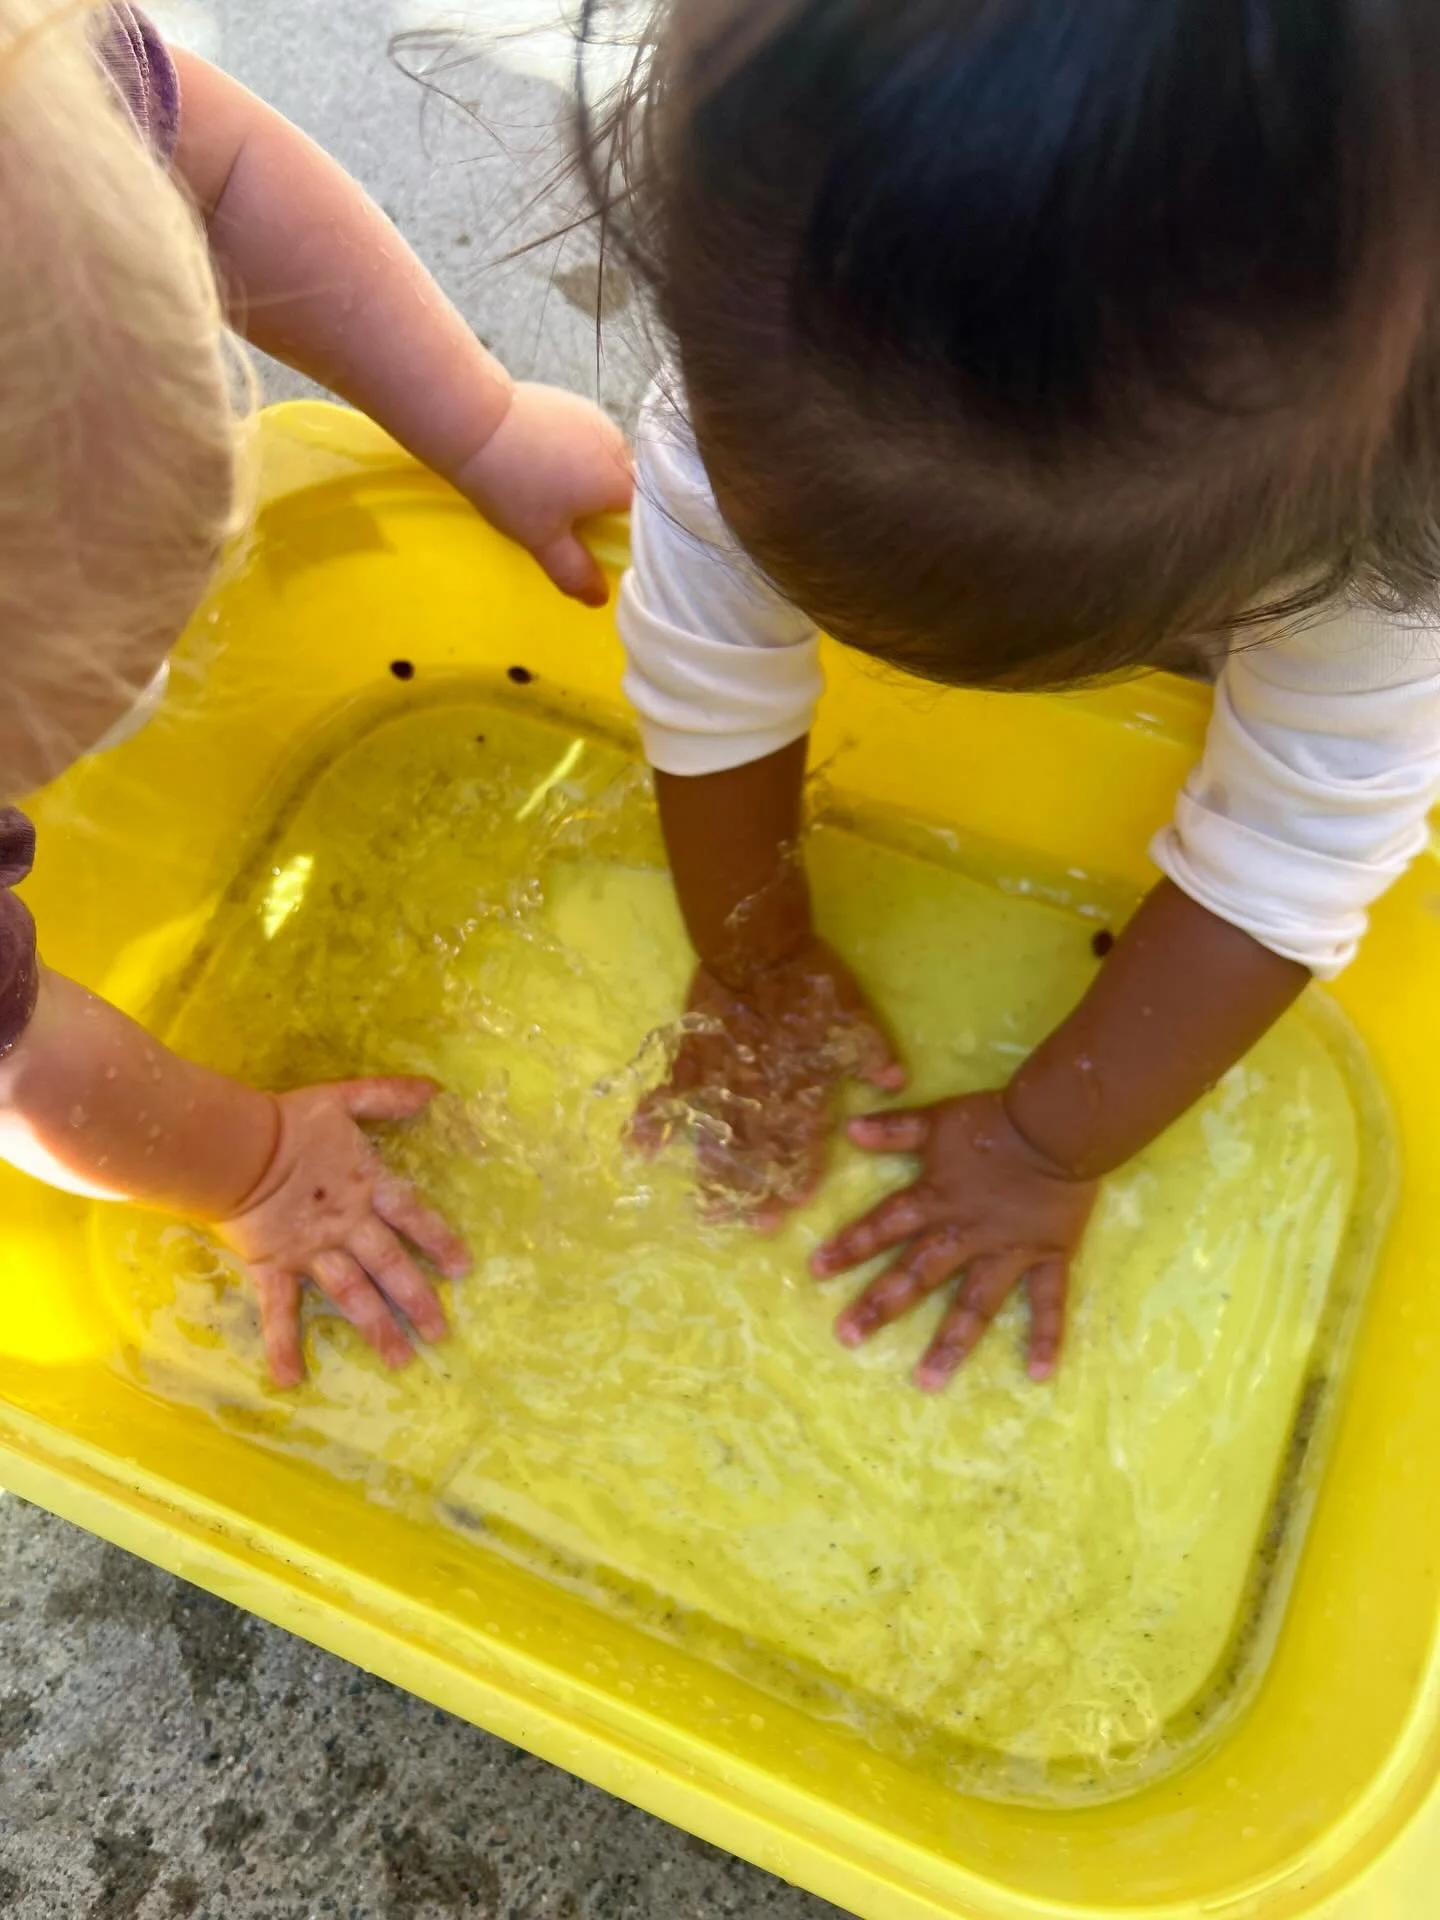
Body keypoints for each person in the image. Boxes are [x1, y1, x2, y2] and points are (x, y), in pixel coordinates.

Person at [578, 0, 1440, 1389]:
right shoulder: (767, 342)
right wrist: (751, 960)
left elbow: (1299, 849)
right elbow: (705, 670)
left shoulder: (1390, 569)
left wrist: (1052, 1143)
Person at [0, 1, 632, 1386]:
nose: (159, 681)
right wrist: (257, 1164)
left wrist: (478, 422)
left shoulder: (41, 90)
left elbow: (223, 173)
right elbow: (19, 1063)